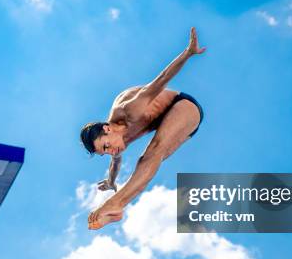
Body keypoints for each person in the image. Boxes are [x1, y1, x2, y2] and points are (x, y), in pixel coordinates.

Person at [80, 27, 206, 230]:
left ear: (108, 128)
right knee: (149, 158)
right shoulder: (119, 141)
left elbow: (162, 78)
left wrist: (188, 53)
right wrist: (112, 182)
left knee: (155, 150)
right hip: (176, 126)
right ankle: (118, 204)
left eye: (106, 147)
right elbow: (115, 163)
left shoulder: (129, 109)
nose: (111, 151)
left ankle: (116, 204)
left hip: (184, 106)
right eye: (106, 152)